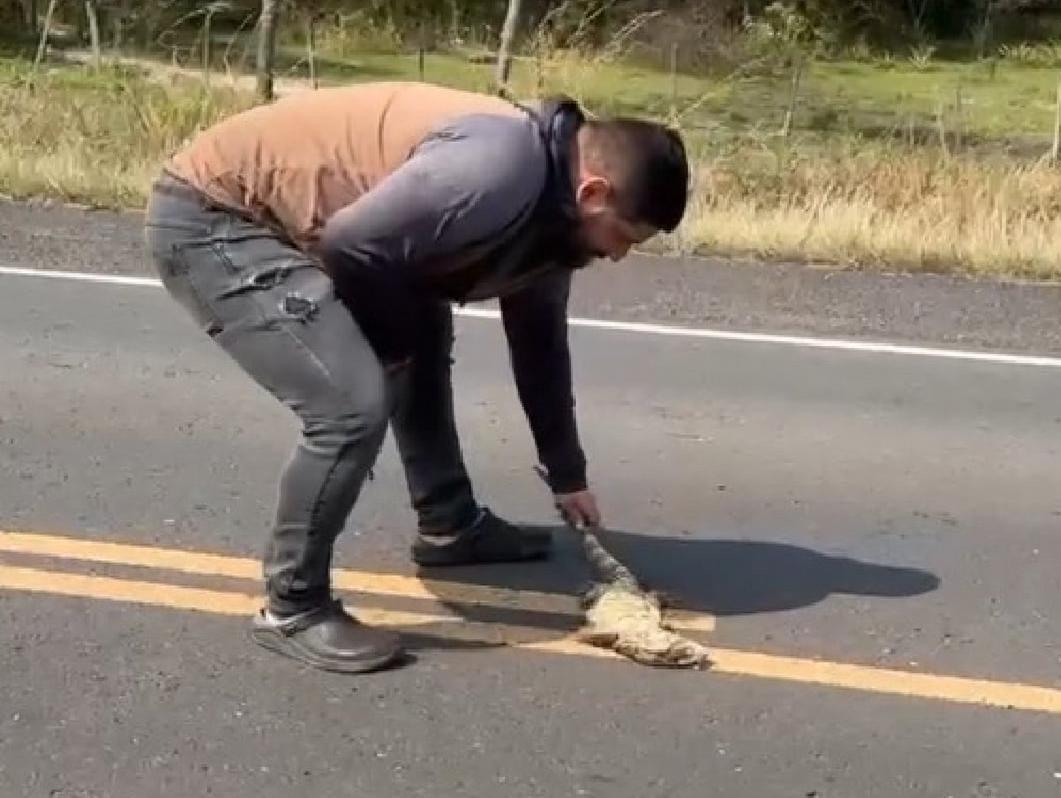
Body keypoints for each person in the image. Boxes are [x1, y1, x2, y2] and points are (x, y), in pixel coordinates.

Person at [143, 81, 689, 674]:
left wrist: (567, 474)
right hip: (215, 215)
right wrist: (390, 347)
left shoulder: (554, 221)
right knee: (351, 407)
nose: (619, 256)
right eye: (626, 237)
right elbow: (352, 244)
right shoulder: (496, 171)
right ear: (594, 192)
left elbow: (539, 343)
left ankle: (449, 526)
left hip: (333, 230)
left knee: (420, 322)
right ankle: (291, 606)